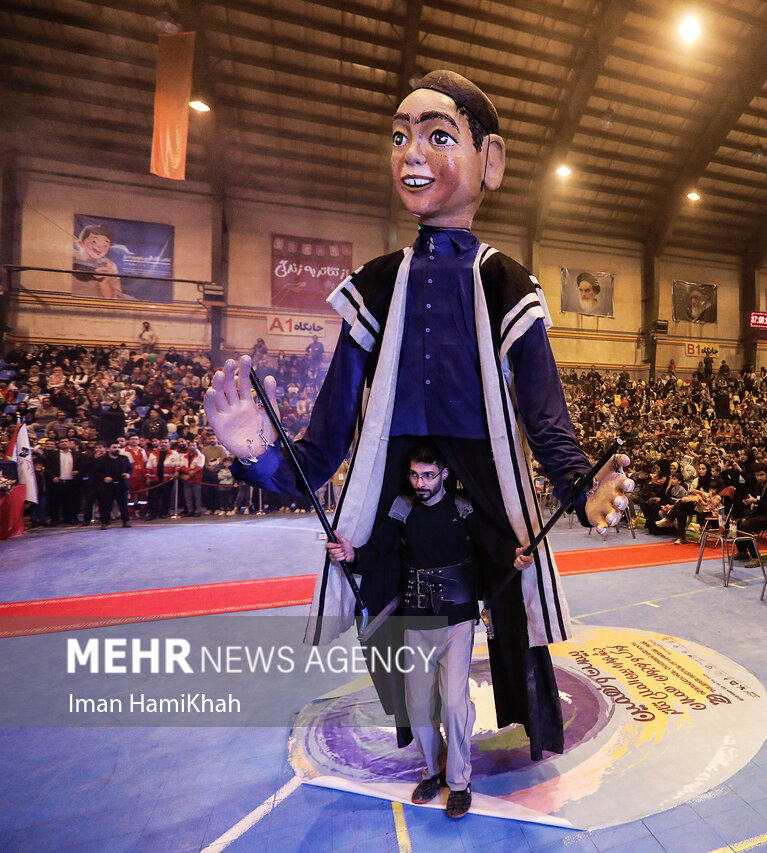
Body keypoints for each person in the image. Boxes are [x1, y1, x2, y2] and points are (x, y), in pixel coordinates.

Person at [204, 71, 630, 773]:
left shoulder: (506, 282)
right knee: (375, 582)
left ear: (489, 161)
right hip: (392, 461)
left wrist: (579, 486)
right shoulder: (376, 283)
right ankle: (423, 734)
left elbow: (542, 409)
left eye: (437, 136)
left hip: (486, 462)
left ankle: (523, 724)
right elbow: (328, 439)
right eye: (399, 136)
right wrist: (259, 451)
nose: (411, 153)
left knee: (516, 589)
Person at [325, 441, 521, 818]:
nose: (420, 482)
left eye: (428, 475)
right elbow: (378, 550)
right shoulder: (402, 509)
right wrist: (353, 555)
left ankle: (460, 782)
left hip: (458, 623)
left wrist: (515, 553)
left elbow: (494, 544)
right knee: (417, 706)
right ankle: (434, 771)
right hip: (416, 623)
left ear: (445, 474)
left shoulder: (462, 508)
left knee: (452, 704)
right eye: (415, 474)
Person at [90, 439, 132, 528]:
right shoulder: (101, 460)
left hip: (121, 485)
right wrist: (104, 478)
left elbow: (130, 469)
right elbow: (96, 472)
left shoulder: (124, 458)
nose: (117, 449)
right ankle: (105, 522)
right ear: (109, 449)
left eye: (118, 447)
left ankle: (126, 521)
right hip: (107, 486)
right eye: (114, 447)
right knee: (105, 505)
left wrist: (128, 474)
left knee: (123, 504)